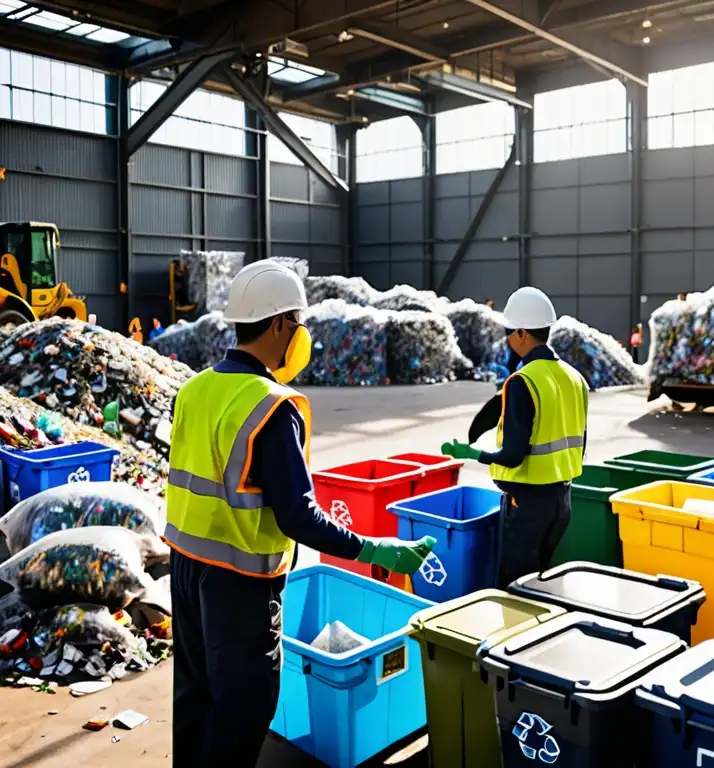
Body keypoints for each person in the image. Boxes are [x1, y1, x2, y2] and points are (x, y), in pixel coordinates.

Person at [166, 260, 436, 768]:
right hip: (239, 581)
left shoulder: (194, 388)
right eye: (298, 321)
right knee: (243, 708)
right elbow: (299, 516)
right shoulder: (271, 404)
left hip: (184, 568)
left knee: (195, 697)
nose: (302, 333)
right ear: (279, 325)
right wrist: (374, 547)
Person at [441, 287, 589, 586]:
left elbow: (513, 456)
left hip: (528, 506)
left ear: (522, 333)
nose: (507, 340)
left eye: (509, 333)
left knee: (517, 588)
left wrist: (473, 455)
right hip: (562, 502)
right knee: (543, 584)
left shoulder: (523, 382)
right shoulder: (575, 379)